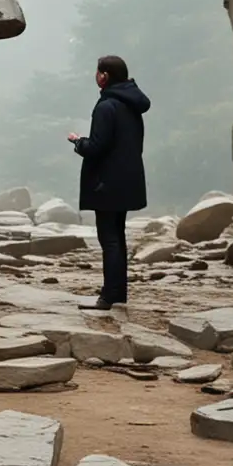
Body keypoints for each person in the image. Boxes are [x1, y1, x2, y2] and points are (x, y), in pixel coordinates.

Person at [67, 55, 150, 309]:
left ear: (104, 76)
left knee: (109, 239)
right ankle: (118, 293)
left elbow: (97, 147)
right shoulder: (132, 105)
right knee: (118, 237)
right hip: (128, 180)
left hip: (106, 183)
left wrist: (78, 142)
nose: (96, 75)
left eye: (98, 71)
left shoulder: (106, 107)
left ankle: (109, 296)